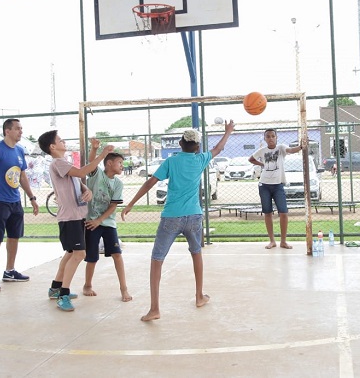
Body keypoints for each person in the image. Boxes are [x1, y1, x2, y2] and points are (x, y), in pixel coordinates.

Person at [121, 120, 234, 321]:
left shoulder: (171, 162)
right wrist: (228, 131)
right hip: (194, 216)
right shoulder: (200, 159)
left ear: (180, 144)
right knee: (196, 253)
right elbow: (219, 148)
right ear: (197, 147)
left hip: (171, 217)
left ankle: (154, 308)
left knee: (157, 260)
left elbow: (150, 182)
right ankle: (199, 296)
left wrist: (131, 203)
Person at [37, 131, 114, 311]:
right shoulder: (58, 162)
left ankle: (55, 288)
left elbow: (77, 180)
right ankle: (63, 294)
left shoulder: (63, 163)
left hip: (76, 215)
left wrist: (87, 190)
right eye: (59, 140)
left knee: (71, 253)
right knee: (79, 254)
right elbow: (80, 172)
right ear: (52, 147)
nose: (63, 140)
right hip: (70, 217)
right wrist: (102, 154)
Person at [0, 118, 40, 292]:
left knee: (14, 237)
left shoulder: (20, 151)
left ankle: (10, 271)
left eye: (21, 129)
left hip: (15, 201)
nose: (21, 132)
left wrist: (32, 197)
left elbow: (22, 177)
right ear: (7, 131)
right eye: (18, 129)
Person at [82, 146, 131, 302]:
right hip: (91, 223)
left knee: (117, 254)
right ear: (109, 163)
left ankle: (124, 289)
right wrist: (95, 149)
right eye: (119, 163)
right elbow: (91, 162)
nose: (122, 166)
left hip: (107, 223)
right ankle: (87, 285)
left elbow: (113, 206)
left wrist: (99, 220)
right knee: (92, 257)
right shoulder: (96, 176)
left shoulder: (118, 184)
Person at [248, 129, 303, 249]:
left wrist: (301, 147)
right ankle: (272, 241)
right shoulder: (262, 151)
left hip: (278, 185)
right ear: (265, 139)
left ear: (276, 137)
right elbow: (250, 159)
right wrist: (261, 164)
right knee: (267, 213)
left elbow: (291, 150)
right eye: (268, 136)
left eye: (273, 136)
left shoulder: (281, 148)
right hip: (264, 185)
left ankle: (283, 241)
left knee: (283, 212)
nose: (271, 138)